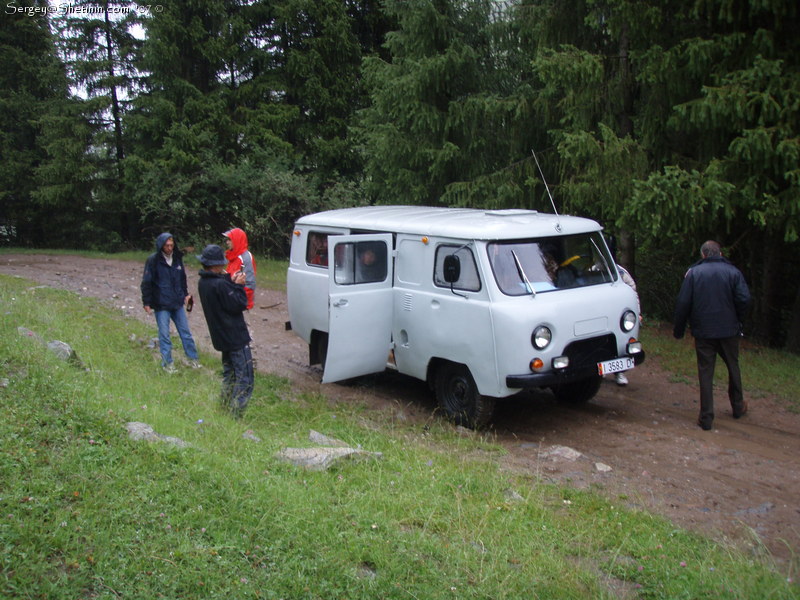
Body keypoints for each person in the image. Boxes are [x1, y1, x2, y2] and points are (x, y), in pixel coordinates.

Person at [673, 240, 751, 430]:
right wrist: (740, 320)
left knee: (706, 372)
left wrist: (679, 329)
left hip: (704, 331)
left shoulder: (694, 274)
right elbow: (744, 299)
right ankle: (738, 406)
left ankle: (706, 416)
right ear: (720, 253)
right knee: (733, 366)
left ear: (703, 255)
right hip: (729, 329)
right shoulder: (733, 272)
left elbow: (683, 302)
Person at [196, 244, 254, 418]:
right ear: (215, 265)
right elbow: (239, 304)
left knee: (229, 374)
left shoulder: (204, 282)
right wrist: (238, 286)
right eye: (221, 264)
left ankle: (223, 408)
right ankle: (236, 415)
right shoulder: (219, 285)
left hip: (222, 337)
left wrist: (231, 281)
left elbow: (222, 289)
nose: (223, 266)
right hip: (235, 337)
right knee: (245, 379)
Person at [140, 232, 200, 373]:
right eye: (166, 245)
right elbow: (146, 282)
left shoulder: (177, 258)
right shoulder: (153, 261)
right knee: (164, 335)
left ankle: (193, 359)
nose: (169, 248)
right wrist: (146, 302)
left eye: (171, 245)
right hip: (161, 304)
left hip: (177, 302)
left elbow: (182, 278)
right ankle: (167, 364)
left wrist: (186, 295)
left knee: (185, 333)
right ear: (161, 246)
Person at [613, 263, 639, 386]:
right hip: (602, 313)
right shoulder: (593, 270)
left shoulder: (620, 272)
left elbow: (632, 291)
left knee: (621, 343)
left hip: (619, 313)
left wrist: (637, 312)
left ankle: (620, 373)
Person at [223, 227, 257, 310]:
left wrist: (243, 302)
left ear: (236, 240)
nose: (227, 242)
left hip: (240, 302)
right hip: (231, 298)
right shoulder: (233, 256)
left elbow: (249, 283)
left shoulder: (246, 257)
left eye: (229, 240)